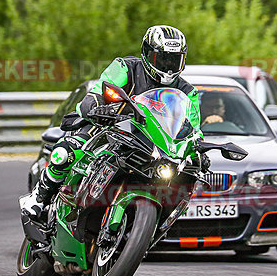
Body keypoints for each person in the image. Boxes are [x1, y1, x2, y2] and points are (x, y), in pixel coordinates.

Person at [20, 25, 201, 221]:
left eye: (174, 60)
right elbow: (99, 90)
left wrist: (197, 148)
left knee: (182, 179)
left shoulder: (187, 91)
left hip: (152, 143)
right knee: (65, 152)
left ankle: (157, 223)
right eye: (163, 59)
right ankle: (39, 197)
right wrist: (96, 103)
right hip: (111, 126)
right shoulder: (125, 67)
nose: (168, 66)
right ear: (148, 54)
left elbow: (192, 128)